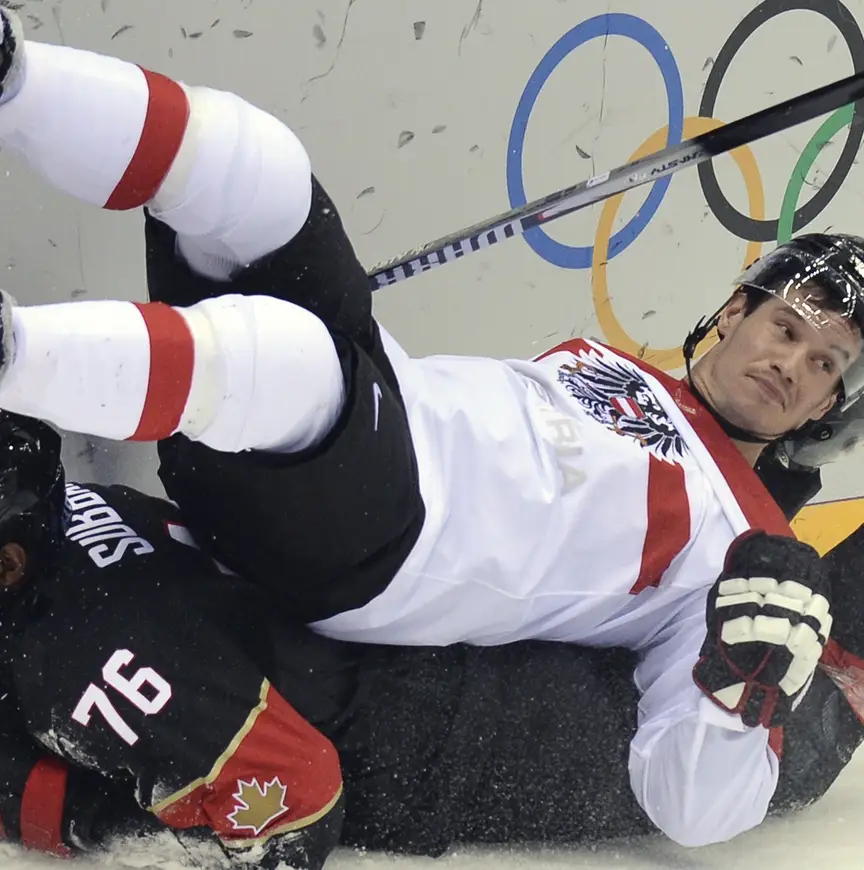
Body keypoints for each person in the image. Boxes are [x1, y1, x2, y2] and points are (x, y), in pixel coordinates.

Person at [0, 10, 851, 846]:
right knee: (253, 171)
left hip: (386, 544)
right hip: (374, 408)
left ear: (824, 409)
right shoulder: (618, 367)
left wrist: (741, 694)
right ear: (734, 312)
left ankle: (15, 354)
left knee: (288, 361)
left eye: (823, 366)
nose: (792, 364)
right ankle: (15, 73)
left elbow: (688, 807)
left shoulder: (752, 555)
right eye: (786, 329)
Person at [0, 407, 863, 870]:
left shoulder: (72, 657)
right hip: (445, 637)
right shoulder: (75, 511)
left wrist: (121, 835)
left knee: (795, 733)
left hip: (462, 743)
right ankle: (778, 508)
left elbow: (291, 809)